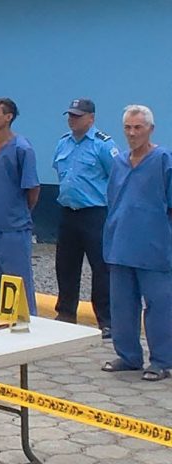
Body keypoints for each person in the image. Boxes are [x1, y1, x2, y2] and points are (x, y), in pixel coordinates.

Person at [101, 105, 172, 381]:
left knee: (159, 306)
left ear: (150, 130)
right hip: (120, 245)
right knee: (122, 306)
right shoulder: (119, 162)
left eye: (138, 127)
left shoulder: (163, 159)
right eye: (128, 128)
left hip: (154, 248)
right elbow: (113, 200)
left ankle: (162, 361)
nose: (132, 133)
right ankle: (128, 356)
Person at [53, 99, 118, 338]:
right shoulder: (63, 143)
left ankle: (106, 320)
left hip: (95, 214)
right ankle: (66, 314)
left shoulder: (103, 145)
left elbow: (116, 179)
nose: (72, 119)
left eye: (78, 116)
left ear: (91, 118)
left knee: (101, 269)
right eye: (70, 115)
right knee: (66, 266)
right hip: (68, 212)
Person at [0, 98, 39, 315]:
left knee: (18, 284)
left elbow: (32, 189)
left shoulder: (22, 149)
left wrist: (20, 214)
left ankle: (27, 329)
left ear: (8, 117)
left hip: (14, 228)